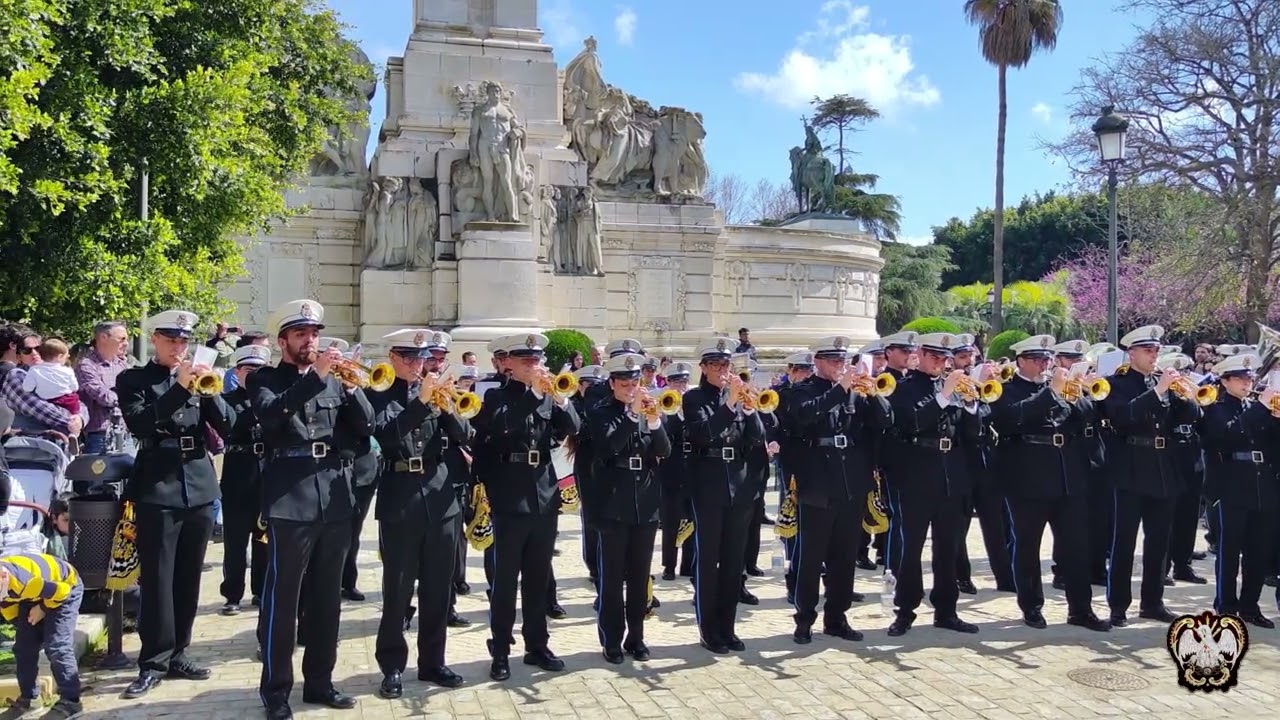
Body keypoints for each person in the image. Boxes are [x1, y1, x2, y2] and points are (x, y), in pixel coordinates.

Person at [249, 300, 373, 719]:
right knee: (283, 599)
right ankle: (276, 691)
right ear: (282, 341)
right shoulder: (265, 379)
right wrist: (316, 377)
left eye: (314, 334)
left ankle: (320, 682)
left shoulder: (336, 379)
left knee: (327, 598)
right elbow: (271, 415)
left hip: (333, 497)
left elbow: (366, 427)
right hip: (291, 496)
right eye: (301, 334)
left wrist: (352, 389)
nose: (310, 341)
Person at [116, 310, 235, 699]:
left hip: (199, 483)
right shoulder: (134, 379)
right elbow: (140, 424)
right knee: (158, 579)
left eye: (183, 341)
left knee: (188, 577)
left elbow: (229, 425)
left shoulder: (199, 378)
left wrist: (210, 392)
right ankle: (153, 661)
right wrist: (181, 389)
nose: (178, 347)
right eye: (171, 340)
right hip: (158, 485)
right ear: (155, 339)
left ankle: (180, 652)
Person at [471, 333, 580, 682]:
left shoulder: (548, 396)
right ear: (510, 364)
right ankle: (500, 648)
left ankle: (537, 645)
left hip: (543, 493)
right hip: (510, 495)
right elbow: (503, 427)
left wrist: (561, 400)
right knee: (505, 580)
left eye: (537, 360)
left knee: (538, 576)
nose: (535, 366)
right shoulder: (496, 397)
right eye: (527, 361)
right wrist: (534, 395)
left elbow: (574, 428)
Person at [370, 329, 471, 698]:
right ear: (393, 358)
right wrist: (423, 404)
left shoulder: (434, 391)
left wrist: (446, 405)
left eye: (423, 358)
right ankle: (392, 666)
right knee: (397, 589)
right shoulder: (377, 392)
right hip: (400, 495)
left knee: (438, 586)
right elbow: (386, 437)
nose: (418, 365)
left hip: (440, 495)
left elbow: (464, 434)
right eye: (410, 358)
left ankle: (433, 662)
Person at [989, 335, 1110, 632]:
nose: (1043, 365)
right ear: (1020, 361)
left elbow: (1087, 418)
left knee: (1076, 546)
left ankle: (1081, 609)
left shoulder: (1060, 387)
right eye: (1036, 360)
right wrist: (1052, 393)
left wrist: (1078, 394)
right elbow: (1010, 419)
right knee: (1028, 546)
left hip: (1068, 475)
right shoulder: (1006, 389)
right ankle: (1031, 606)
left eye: (1046, 359)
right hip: (1028, 477)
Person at [779, 337, 890, 644]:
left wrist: (874, 394)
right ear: (817, 362)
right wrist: (841, 388)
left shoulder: (856, 391)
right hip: (817, 482)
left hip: (850, 482)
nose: (839, 366)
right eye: (833, 361)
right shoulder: (802, 390)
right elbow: (805, 415)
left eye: (842, 361)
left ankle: (837, 618)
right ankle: (804, 619)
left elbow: (885, 420)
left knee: (844, 557)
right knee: (811, 557)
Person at [1101, 324, 1199, 627]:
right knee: (1124, 541)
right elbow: (1123, 417)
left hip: (1163, 468)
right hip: (1131, 466)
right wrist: (1158, 392)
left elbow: (1188, 419)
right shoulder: (1115, 383)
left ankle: (1153, 602)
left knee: (1159, 541)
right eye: (1148, 350)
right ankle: (1118, 605)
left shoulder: (1163, 382)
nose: (1154, 355)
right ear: (1131, 353)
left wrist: (1188, 398)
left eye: (1156, 350)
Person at [883, 332, 979, 637]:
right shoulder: (903, 387)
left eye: (944, 359)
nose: (940, 363)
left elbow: (972, 433)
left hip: (952, 476)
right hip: (917, 475)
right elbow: (911, 423)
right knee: (911, 549)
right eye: (935, 357)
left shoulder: (952, 386)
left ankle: (947, 610)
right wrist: (944, 396)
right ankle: (905, 610)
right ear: (921, 355)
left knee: (948, 548)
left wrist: (972, 405)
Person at [584, 353, 671, 662]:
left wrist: (654, 421)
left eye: (635, 383)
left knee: (639, 576)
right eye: (624, 384)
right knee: (611, 578)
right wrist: (632, 415)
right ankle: (611, 639)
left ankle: (636, 636)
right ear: (612, 384)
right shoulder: (601, 412)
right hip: (613, 502)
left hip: (645, 501)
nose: (631, 389)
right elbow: (608, 447)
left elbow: (664, 450)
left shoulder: (647, 409)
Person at [683, 336, 765, 654]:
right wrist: (730, 405)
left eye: (726, 364)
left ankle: (728, 627)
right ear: (703, 368)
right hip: (709, 485)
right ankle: (708, 630)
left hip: (739, 486)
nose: (722, 370)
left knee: (733, 562)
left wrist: (751, 409)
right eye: (715, 365)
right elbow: (703, 435)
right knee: (708, 561)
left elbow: (756, 439)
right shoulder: (694, 398)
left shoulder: (738, 396)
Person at [1202, 353, 1277, 628]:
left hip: (1263, 484)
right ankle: (1225, 606)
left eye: (1250, 377)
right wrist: (1261, 408)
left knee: (1259, 550)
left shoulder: (1257, 407)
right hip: (1232, 485)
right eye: (1241, 378)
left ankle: (1250, 606)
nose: (1248, 382)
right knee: (1229, 550)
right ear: (1225, 381)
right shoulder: (1215, 407)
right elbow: (1226, 437)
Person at [216, 344, 272, 615]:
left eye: (260, 371)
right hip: (238, 471)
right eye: (249, 370)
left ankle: (260, 590)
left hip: (266, 471)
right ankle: (232, 594)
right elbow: (230, 425)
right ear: (237, 372)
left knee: (263, 538)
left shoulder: (271, 399)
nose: (254, 376)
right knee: (236, 540)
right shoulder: (227, 400)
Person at [0, 552, 83, 719]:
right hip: (32, 596)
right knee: (24, 648)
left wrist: (43, 609)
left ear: (3, 576)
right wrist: (28, 631)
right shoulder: (7, 589)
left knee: (57, 646)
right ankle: (30, 699)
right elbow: (11, 612)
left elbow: (63, 592)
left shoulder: (24, 581)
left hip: (65, 588)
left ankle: (71, 701)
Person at [658, 362, 694, 580]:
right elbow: (664, 435)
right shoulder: (663, 405)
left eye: (684, 382)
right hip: (671, 467)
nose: (681, 386)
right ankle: (669, 565)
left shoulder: (694, 405)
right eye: (677, 382)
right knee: (671, 519)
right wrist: (676, 412)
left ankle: (688, 564)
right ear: (668, 383)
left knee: (691, 518)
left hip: (693, 467)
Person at [21, 338, 80, 419]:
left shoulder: (34, 370)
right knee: (74, 413)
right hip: (67, 401)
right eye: (66, 356)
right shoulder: (68, 370)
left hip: (46, 402)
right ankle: (74, 421)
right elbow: (75, 387)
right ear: (60, 356)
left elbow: (27, 388)